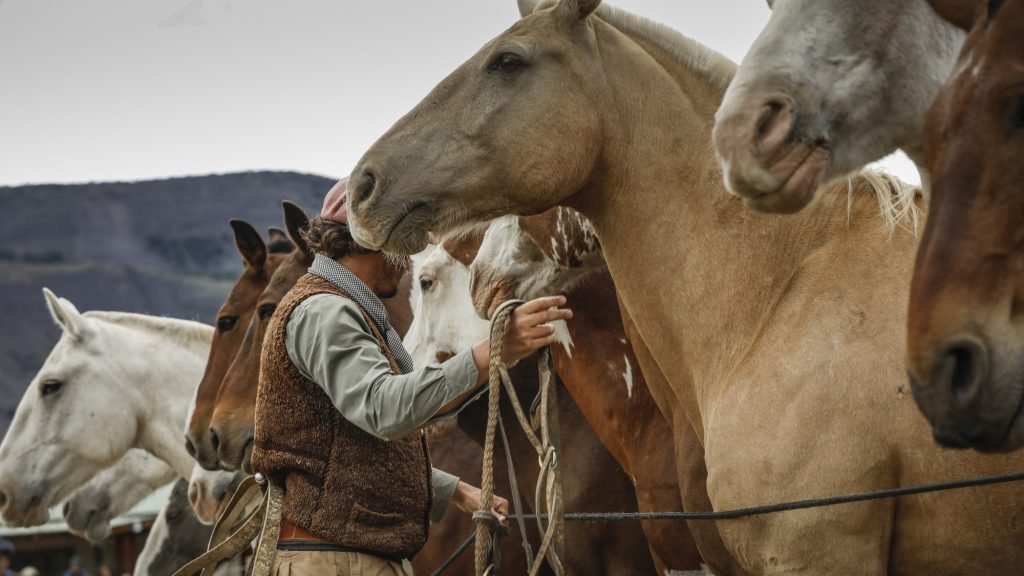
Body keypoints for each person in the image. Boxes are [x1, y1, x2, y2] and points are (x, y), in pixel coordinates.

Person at [251, 178, 573, 576]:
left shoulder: (341, 307)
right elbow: (384, 410)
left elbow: (352, 449)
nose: (407, 263)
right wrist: (491, 352)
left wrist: (455, 492)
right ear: (376, 240)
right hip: (334, 563)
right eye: (405, 248)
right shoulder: (326, 312)